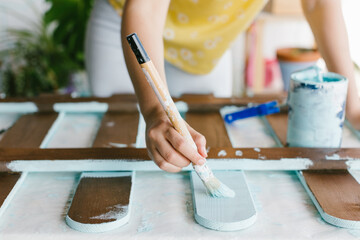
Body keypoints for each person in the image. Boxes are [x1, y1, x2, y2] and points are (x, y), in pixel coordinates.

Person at [85, 0, 360, 172]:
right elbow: (147, 7)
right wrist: (156, 111)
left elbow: (319, 3)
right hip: (130, 28)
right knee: (114, 136)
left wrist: (354, 107)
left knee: (193, 146)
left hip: (207, 47)